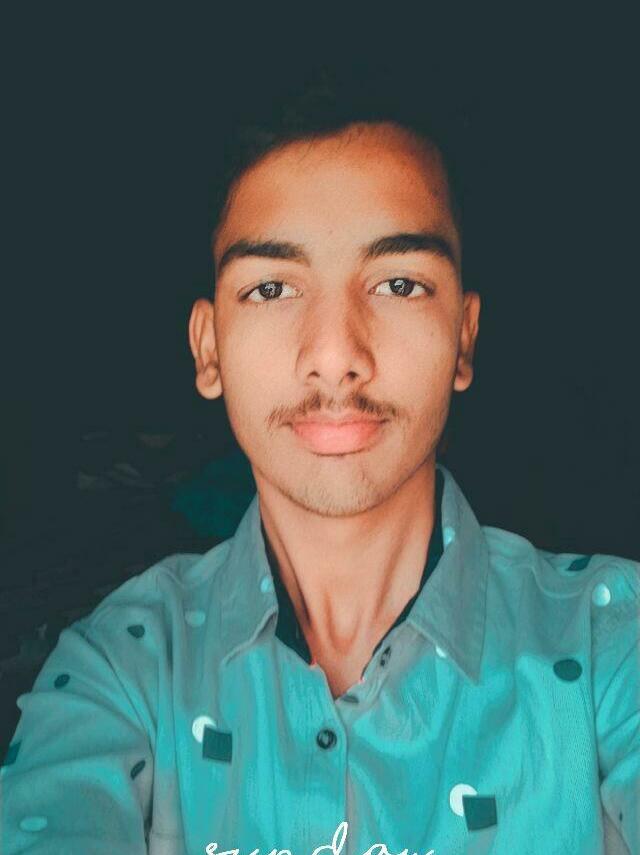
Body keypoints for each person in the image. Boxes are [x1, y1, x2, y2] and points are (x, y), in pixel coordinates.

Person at [1, 78, 638, 855]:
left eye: (399, 283)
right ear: (209, 348)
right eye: (271, 287)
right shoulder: (121, 665)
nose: (336, 355)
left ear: (464, 338)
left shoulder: (613, 636)